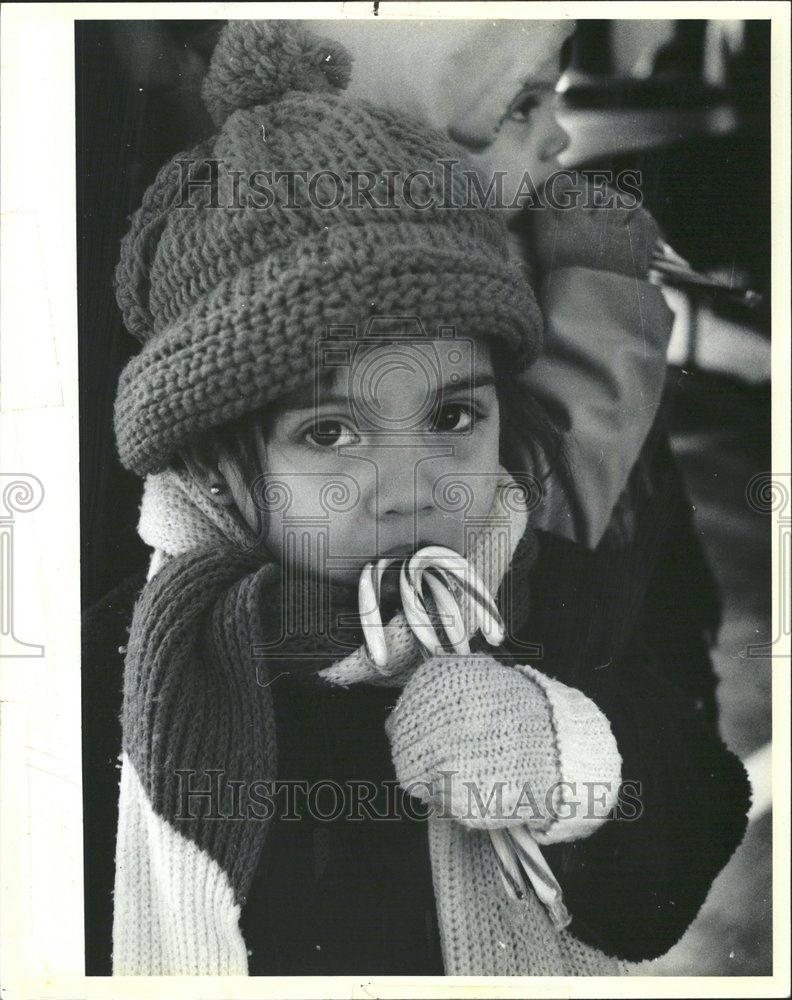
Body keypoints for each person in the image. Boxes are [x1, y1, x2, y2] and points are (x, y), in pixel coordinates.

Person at [84, 20, 750, 977]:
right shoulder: (128, 659)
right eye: (330, 433)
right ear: (221, 465)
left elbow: (686, 825)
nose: (414, 488)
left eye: (452, 416)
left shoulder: (537, 583)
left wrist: (577, 761)